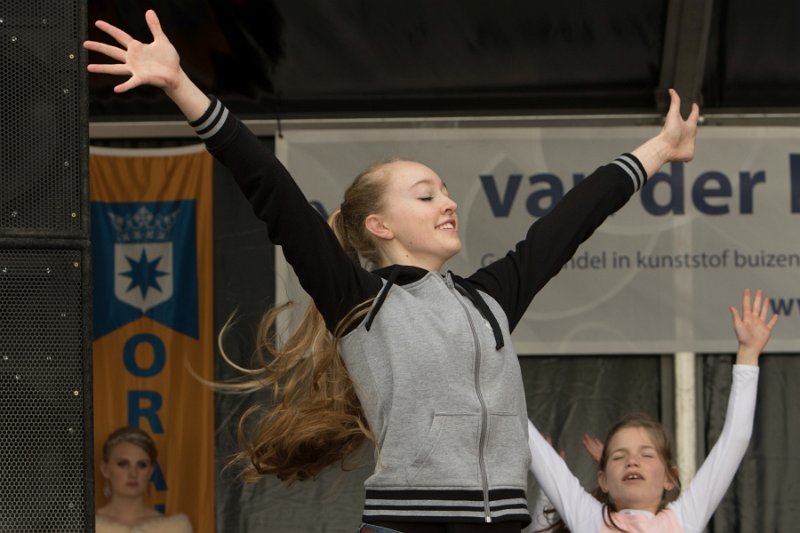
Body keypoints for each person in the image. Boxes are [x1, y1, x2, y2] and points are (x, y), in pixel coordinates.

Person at [84, 10, 699, 531]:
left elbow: (574, 217)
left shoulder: (491, 301)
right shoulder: (361, 303)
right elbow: (269, 187)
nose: (449, 202)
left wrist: (662, 148)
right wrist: (180, 86)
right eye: (426, 195)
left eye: (446, 191)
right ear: (379, 225)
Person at [528, 288, 779, 533]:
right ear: (603, 480)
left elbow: (735, 439)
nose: (632, 461)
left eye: (647, 455)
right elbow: (535, 447)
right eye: (618, 456)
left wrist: (748, 353)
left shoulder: (684, 519)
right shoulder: (587, 518)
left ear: (670, 478)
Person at [96, 427, 193, 533]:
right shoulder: (82, 526)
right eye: (122, 464)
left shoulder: (174, 529)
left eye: (142, 465)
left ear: (151, 471)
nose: (133, 474)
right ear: (105, 469)